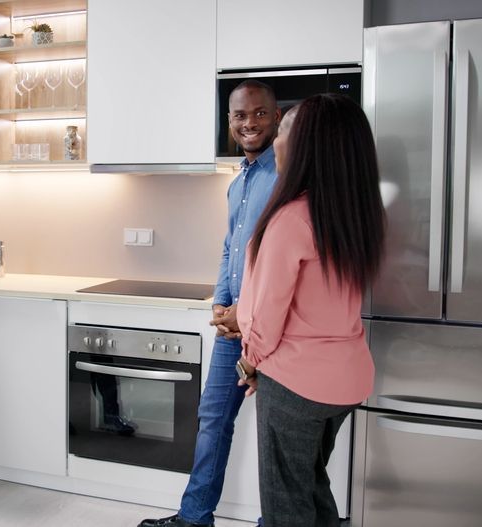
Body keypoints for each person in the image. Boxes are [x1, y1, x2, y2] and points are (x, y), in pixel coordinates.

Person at [236, 94, 385, 527]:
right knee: (312, 487)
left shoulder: (292, 218)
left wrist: (250, 363)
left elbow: (267, 315)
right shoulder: (358, 215)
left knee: (286, 506)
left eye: (282, 132)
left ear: (307, 146)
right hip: (346, 381)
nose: (273, 141)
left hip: (296, 383)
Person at [139, 80, 281, 527]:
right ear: (230, 123)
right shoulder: (239, 181)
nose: (249, 123)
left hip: (270, 323)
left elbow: (283, 257)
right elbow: (231, 247)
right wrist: (222, 304)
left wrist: (247, 309)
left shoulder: (289, 175)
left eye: (259, 113)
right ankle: (194, 517)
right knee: (212, 419)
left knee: (278, 431)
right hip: (231, 326)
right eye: (240, 116)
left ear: (276, 117)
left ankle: (274, 520)